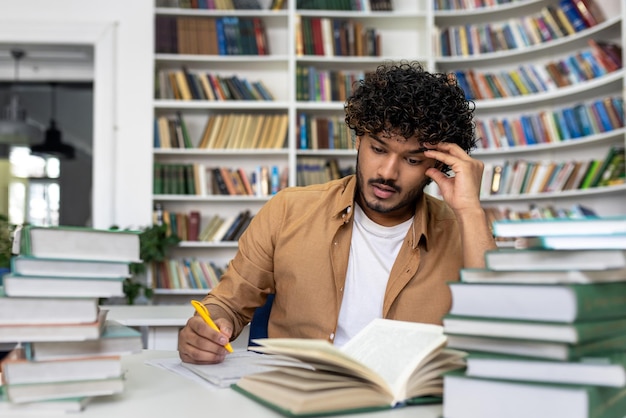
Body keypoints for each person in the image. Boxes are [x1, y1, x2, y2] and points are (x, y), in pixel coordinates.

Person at [179, 61, 497, 364]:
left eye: (412, 160)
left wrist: (470, 211)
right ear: (359, 139)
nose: (388, 172)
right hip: (297, 394)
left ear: (438, 166)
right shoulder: (288, 210)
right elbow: (227, 305)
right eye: (378, 149)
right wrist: (207, 330)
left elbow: (494, 334)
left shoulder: (465, 231)